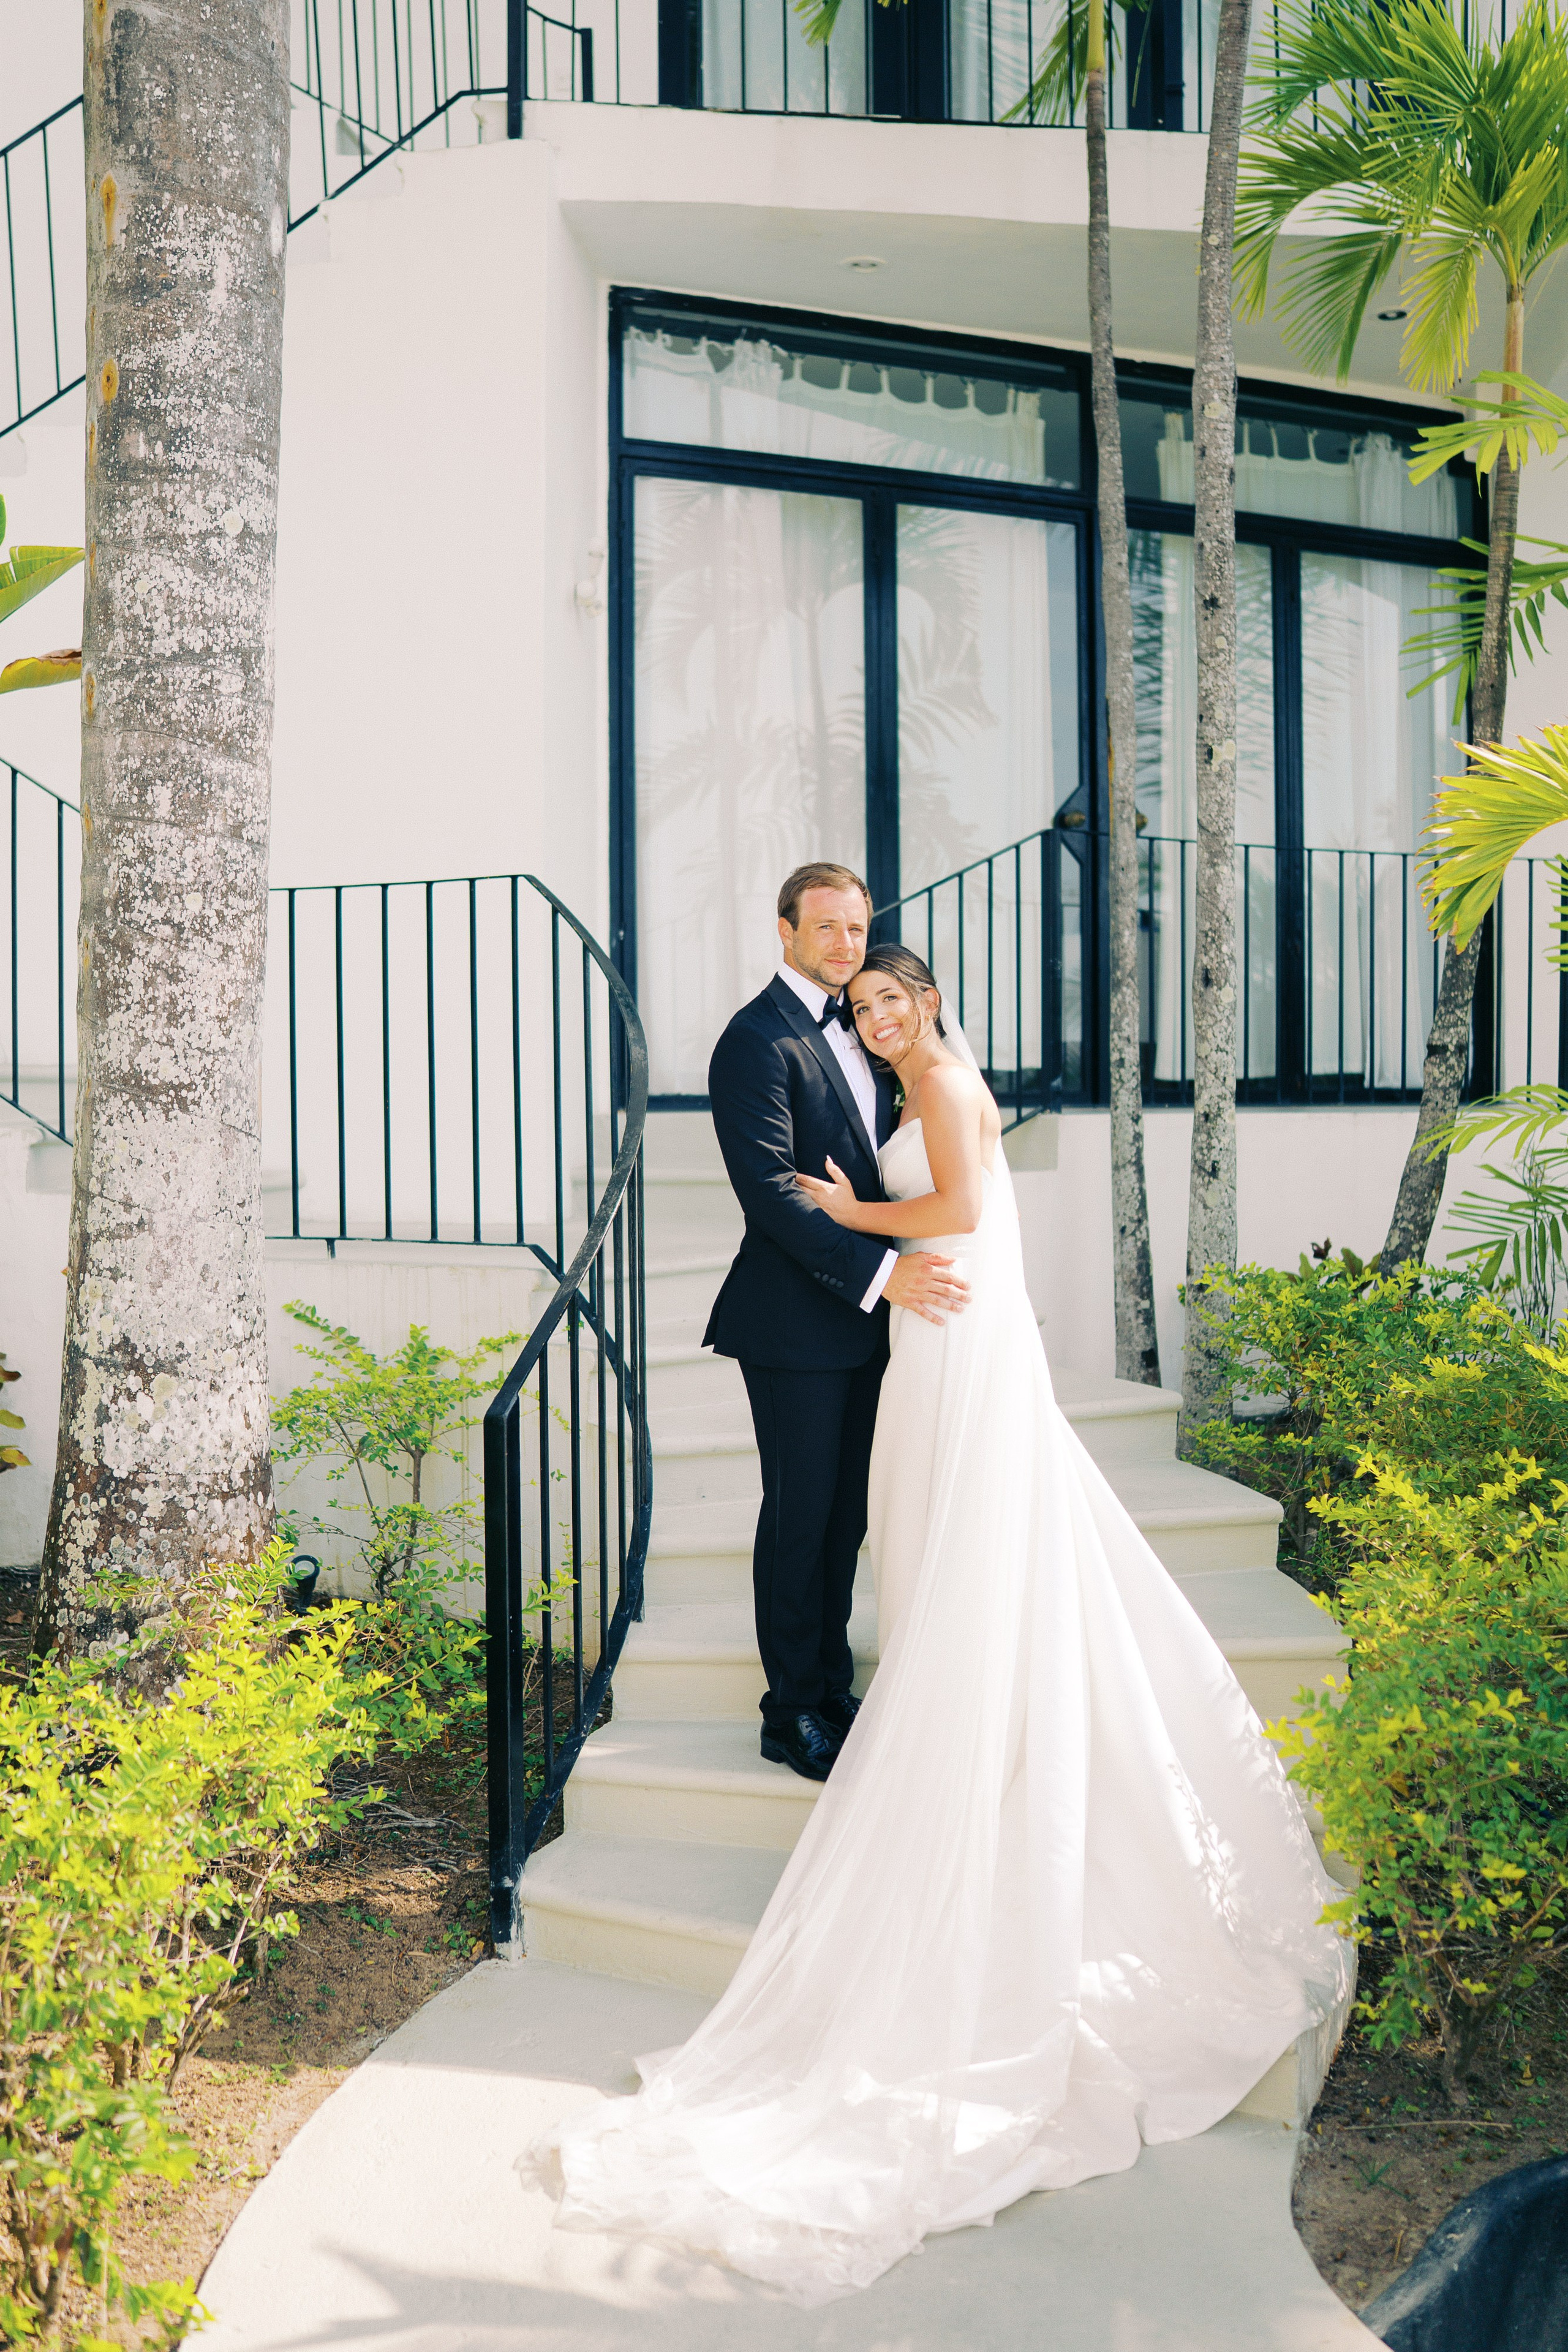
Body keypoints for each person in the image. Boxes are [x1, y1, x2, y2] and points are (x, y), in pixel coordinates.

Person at [529, 933, 1351, 2309]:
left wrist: (856, 1216)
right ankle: (924, 1695)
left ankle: (987, 1723)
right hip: (916, 1341)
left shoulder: (951, 1089)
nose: (873, 1013)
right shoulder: (871, 1079)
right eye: (858, 1004)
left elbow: (958, 1207)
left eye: (888, 996)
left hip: (957, 1338)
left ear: (927, 1000)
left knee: (970, 1535)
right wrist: (868, 1231)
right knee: (907, 1539)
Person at [700, 862, 970, 1784]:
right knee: (801, 1516)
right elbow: (772, 1193)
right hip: (794, 1326)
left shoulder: (869, 1030)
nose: (846, 945)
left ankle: (829, 1687)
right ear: (786, 931)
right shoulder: (754, 1041)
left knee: (846, 1517)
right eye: (826, 928)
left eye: (856, 927)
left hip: (867, 1328)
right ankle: (790, 1714)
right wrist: (884, 1277)